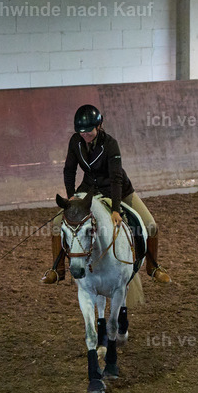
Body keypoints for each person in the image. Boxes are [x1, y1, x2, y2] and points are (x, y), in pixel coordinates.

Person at [41, 104, 172, 284]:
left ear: (99, 126)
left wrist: (116, 210)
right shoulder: (75, 141)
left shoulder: (110, 145)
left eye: (88, 132)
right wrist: (71, 197)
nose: (85, 135)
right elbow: (69, 170)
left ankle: (153, 267)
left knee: (150, 225)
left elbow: (116, 178)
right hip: (88, 189)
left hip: (116, 189)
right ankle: (57, 270)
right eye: (81, 132)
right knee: (57, 223)